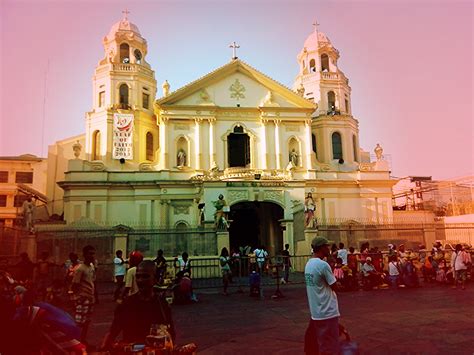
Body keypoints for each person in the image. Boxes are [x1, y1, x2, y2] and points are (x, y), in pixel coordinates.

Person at [102, 260, 175, 350]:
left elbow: (171, 334)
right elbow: (113, 332)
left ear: (155, 278)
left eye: (145, 276)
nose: (140, 280)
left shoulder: (162, 304)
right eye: (138, 277)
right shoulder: (126, 304)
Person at [304, 237, 340, 355]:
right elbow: (335, 286)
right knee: (331, 345)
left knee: (323, 343)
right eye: (327, 246)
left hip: (316, 312)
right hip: (328, 311)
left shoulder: (309, 264)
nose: (329, 248)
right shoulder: (323, 265)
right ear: (322, 248)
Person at [71, 245, 96, 342]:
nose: (92, 256)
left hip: (90, 298)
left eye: (93, 253)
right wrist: (76, 298)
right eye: (90, 254)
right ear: (84, 254)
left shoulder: (91, 267)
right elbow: (75, 285)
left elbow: (92, 281)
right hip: (82, 298)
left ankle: (83, 341)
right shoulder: (80, 269)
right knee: (79, 322)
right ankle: (76, 341)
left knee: (87, 321)